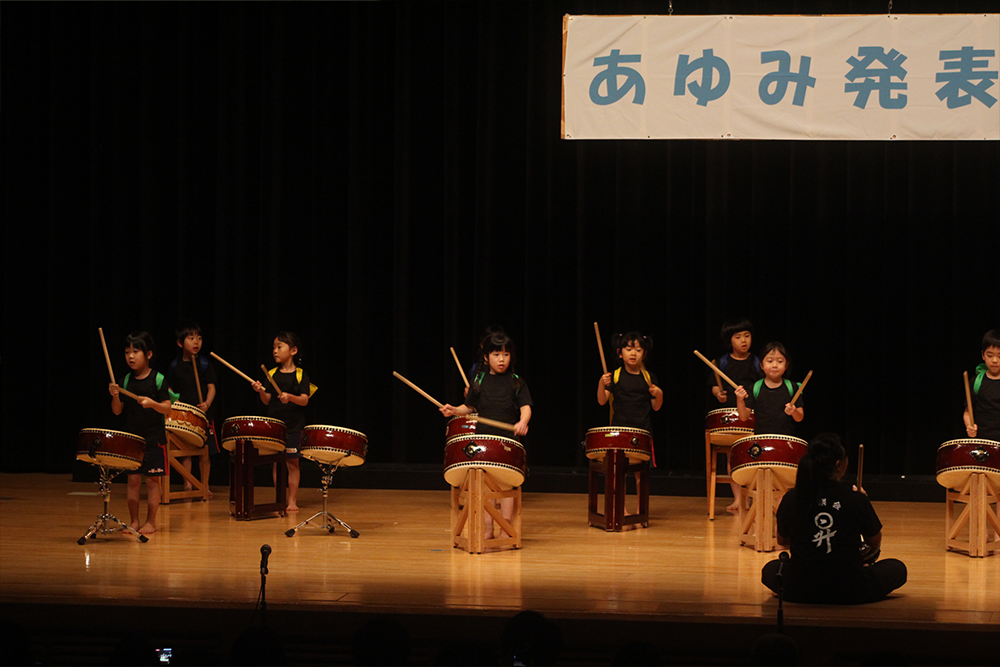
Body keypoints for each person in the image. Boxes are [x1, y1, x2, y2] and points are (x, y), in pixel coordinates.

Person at [761, 433, 907, 604]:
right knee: (897, 568)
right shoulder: (855, 498)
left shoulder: (793, 497)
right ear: (839, 465)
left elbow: (783, 541)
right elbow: (874, 540)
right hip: (850, 588)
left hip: (801, 586)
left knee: (770, 570)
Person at [439, 329, 533, 538]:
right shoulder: (479, 381)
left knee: (507, 485)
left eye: (506, 355)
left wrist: (522, 421)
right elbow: (469, 407)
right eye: (496, 354)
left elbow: (526, 407)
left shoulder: (517, 381)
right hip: (483, 441)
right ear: (486, 357)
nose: (501, 359)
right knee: (484, 486)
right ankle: (488, 527)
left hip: (506, 441)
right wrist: (454, 410)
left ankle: (506, 529)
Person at [109, 331, 172, 534]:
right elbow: (117, 411)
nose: (131, 356)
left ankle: (151, 522)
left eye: (136, 351)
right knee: (133, 480)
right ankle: (134, 521)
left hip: (154, 438)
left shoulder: (159, 379)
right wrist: (115, 396)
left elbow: (167, 408)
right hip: (132, 440)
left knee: (153, 482)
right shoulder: (125, 381)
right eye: (127, 351)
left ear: (149, 354)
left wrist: (152, 403)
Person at [596, 331, 663, 512]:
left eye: (638, 350)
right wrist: (602, 384)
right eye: (628, 349)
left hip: (642, 431)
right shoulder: (614, 376)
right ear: (620, 353)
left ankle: (642, 511)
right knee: (620, 475)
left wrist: (659, 394)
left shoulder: (648, 377)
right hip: (620, 432)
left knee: (641, 474)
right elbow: (602, 401)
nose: (633, 353)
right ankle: (622, 511)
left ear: (645, 353)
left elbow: (656, 407)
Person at [251, 331, 316, 512]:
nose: (275, 351)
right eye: (274, 347)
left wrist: (290, 397)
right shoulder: (272, 373)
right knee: (277, 463)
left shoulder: (301, 374)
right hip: (275, 426)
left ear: (293, 350)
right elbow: (266, 400)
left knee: (292, 463)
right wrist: (261, 390)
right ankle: (280, 498)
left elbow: (305, 400)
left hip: (294, 425)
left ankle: (292, 500)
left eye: (280, 347)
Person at [710, 318, 762, 512]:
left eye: (747, 336)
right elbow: (715, 385)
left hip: (750, 414)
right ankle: (739, 499)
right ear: (729, 340)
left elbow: (762, 385)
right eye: (738, 337)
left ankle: (752, 498)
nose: (743, 341)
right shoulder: (722, 362)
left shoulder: (757, 362)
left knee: (751, 456)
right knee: (732, 457)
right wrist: (719, 394)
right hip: (730, 416)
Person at [166, 320, 219, 494]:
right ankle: (187, 485)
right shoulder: (175, 366)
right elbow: (170, 389)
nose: (196, 342)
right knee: (185, 452)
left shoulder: (204, 364)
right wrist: (175, 403)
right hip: (185, 415)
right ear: (180, 343)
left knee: (205, 452)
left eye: (199, 338)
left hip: (203, 414)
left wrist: (207, 403)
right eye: (191, 338)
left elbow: (211, 387)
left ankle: (205, 486)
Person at [735, 341, 803, 436]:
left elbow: (799, 418)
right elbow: (744, 417)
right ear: (761, 365)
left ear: (786, 365)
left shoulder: (792, 387)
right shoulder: (755, 387)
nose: (774, 365)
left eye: (780, 361)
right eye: (770, 361)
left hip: (785, 439)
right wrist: (740, 399)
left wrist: (794, 411)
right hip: (761, 439)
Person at [964, 329, 1000, 441]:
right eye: (990, 355)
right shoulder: (976, 382)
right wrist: (970, 427)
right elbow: (967, 412)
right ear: (983, 355)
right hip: (982, 440)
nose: (995, 360)